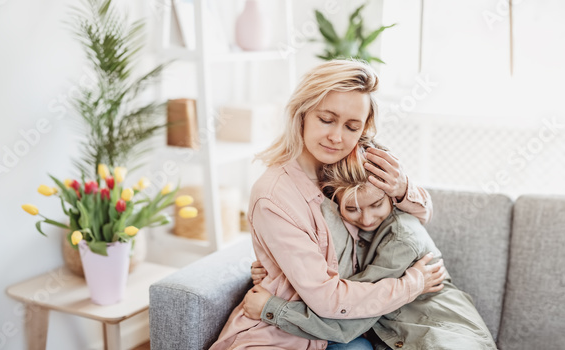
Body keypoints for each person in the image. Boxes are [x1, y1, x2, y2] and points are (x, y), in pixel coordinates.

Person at [209, 60, 447, 350]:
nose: (337, 137)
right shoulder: (274, 196)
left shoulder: (355, 165)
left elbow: (422, 213)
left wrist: (401, 188)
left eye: (351, 126)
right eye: (326, 119)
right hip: (280, 337)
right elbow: (327, 297)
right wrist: (412, 284)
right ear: (302, 114)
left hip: (339, 331)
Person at [245, 141, 498, 350]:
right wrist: (277, 271)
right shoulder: (350, 231)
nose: (366, 219)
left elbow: (351, 317)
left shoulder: (401, 239)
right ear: (335, 202)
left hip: (443, 340)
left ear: (392, 195)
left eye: (376, 204)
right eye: (352, 209)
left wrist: (273, 310)